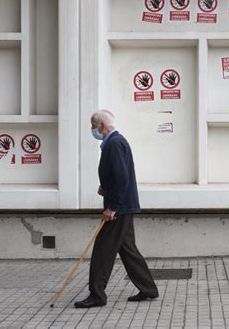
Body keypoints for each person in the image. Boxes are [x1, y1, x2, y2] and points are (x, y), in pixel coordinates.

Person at [74, 109, 159, 309]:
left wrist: (112, 207)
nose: (92, 129)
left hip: (119, 209)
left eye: (93, 126)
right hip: (124, 206)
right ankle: (148, 289)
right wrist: (106, 189)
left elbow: (122, 178)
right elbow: (117, 177)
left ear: (102, 126)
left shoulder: (114, 144)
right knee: (128, 250)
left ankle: (97, 295)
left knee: (102, 250)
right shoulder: (115, 142)